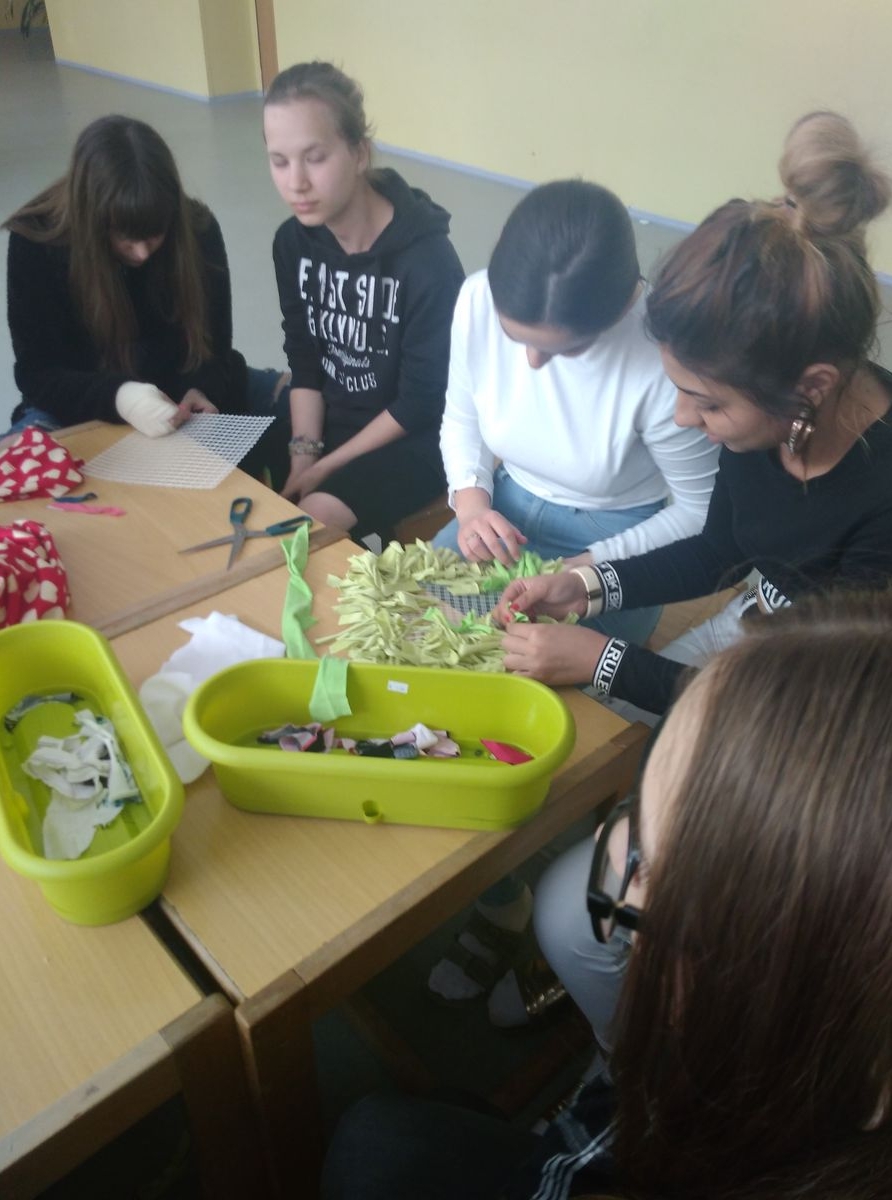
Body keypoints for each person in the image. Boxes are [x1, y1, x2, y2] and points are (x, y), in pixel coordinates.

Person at [492, 110, 892, 1033]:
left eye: (703, 403)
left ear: (812, 388)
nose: (679, 420)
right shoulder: (774, 418)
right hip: (765, 640)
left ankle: (637, 1060)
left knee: (577, 908)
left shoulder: (880, 506)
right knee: (573, 745)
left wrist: (603, 660)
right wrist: (588, 583)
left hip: (827, 732)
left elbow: (791, 725)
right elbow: (721, 548)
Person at [320, 589, 892, 1200]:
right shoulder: (786, 1061)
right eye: (633, 807)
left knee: (374, 1144)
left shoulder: (696, 1119)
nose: (602, 838)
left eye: (643, 860)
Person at [437, 179, 719, 646]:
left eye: (565, 350)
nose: (532, 362)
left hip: (619, 540)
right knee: (417, 624)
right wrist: (471, 508)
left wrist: (585, 571)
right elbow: (463, 418)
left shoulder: (665, 360)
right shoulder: (476, 298)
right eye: (515, 338)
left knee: (541, 671)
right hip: (502, 510)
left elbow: (699, 510)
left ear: (617, 313)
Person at [260, 61, 465, 538]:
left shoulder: (428, 260)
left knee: (311, 522)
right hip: (332, 422)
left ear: (359, 154)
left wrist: (325, 466)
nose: (296, 182)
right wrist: (303, 455)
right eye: (279, 161)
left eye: (315, 158)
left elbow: (419, 402)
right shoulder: (292, 242)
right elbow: (304, 360)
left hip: (414, 438)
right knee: (237, 476)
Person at [4, 114, 281, 439]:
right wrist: (120, 397)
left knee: (308, 410)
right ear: (92, 218)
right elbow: (38, 374)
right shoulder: (37, 241)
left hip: (178, 399)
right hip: (76, 408)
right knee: (20, 465)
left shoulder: (197, 228)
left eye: (154, 235)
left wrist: (202, 389)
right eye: (125, 237)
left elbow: (215, 346)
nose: (141, 254)